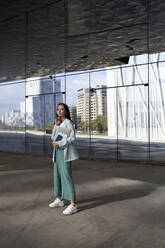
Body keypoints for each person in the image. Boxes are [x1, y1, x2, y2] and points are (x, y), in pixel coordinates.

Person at [49, 103, 79, 215]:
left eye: (62, 109)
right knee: (57, 176)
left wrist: (61, 143)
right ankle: (59, 199)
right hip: (57, 152)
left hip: (65, 151)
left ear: (66, 111)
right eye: (58, 109)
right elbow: (53, 137)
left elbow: (72, 138)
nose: (60, 111)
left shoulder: (69, 123)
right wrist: (56, 125)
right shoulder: (59, 123)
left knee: (66, 176)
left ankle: (73, 204)